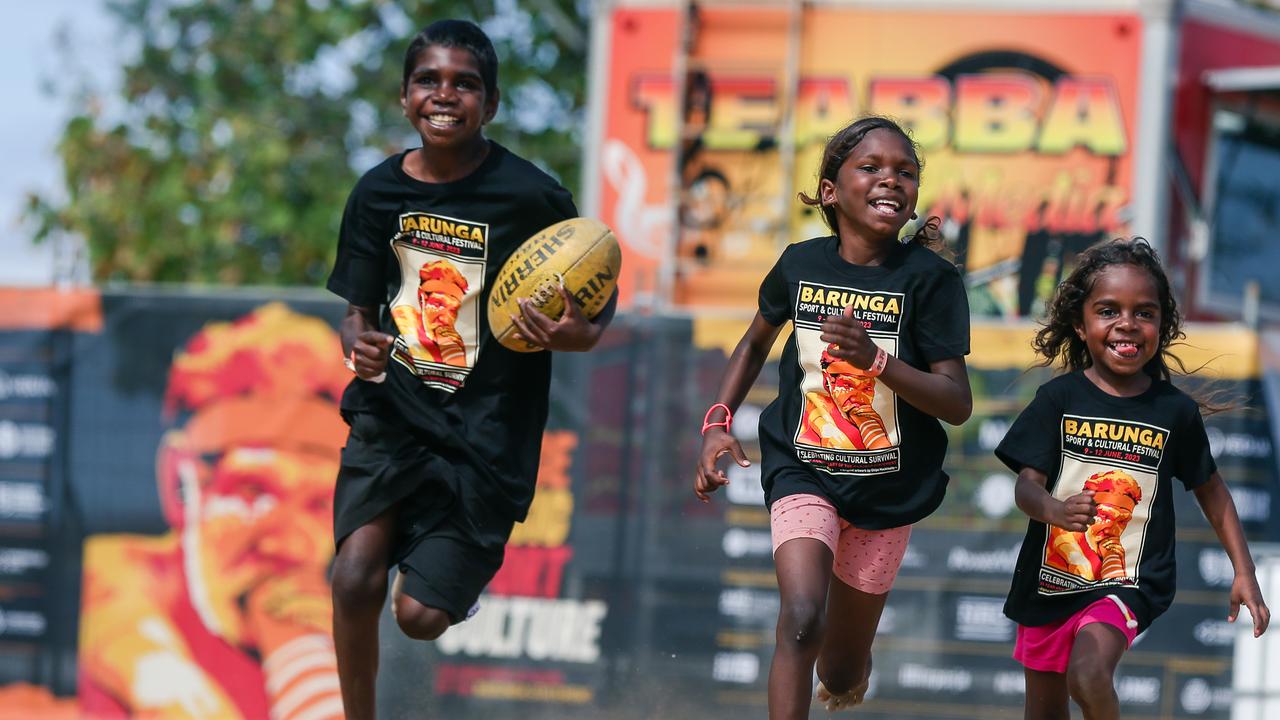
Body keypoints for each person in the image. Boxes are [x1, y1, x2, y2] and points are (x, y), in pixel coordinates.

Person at [324, 19, 616, 720]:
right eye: (429, 80)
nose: (444, 94)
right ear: (404, 97)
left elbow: (599, 301)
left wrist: (580, 334)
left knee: (418, 616)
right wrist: (358, 343)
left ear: (492, 103)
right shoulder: (376, 194)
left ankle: (451, 583)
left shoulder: (531, 196)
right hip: (391, 415)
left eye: (465, 83)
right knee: (354, 578)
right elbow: (356, 312)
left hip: (486, 434)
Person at [694, 115, 973, 718]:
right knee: (799, 619)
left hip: (889, 490)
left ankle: (850, 670)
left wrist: (878, 362)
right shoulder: (799, 264)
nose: (889, 180)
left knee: (840, 667)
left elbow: (956, 403)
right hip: (803, 471)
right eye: (870, 167)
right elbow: (753, 344)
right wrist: (717, 421)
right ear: (829, 190)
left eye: (905, 172)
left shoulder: (932, 281)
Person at [995, 238, 1270, 720]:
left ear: (1162, 326)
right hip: (1049, 583)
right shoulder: (1057, 399)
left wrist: (1244, 573)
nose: (1127, 324)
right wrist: (1055, 510)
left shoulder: (1174, 411)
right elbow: (1025, 486)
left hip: (1126, 582)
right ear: (1080, 326)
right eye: (1108, 311)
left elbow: (1213, 491)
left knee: (1088, 674)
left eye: (1144, 313)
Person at [78, 303, 348, 720]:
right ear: (180, 485)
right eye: (254, 492)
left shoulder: (349, 611)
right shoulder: (124, 582)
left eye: (317, 504)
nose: (287, 542)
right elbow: (119, 613)